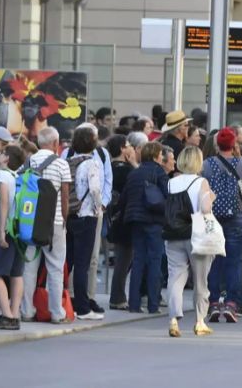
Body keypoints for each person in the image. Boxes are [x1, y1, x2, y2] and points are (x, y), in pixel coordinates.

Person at [20, 127, 72, 324]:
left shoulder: (28, 162)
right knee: (55, 267)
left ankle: (26, 310)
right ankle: (56, 312)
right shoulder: (61, 164)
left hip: (29, 222)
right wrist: (64, 219)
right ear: (56, 143)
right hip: (55, 223)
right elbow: (65, 196)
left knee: (29, 267)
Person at [164, 145, 217, 334]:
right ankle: (200, 320)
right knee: (200, 280)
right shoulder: (201, 182)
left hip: (173, 234)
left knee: (175, 276)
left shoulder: (172, 182)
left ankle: (173, 319)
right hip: (197, 233)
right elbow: (205, 208)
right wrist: (211, 196)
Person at [203, 127, 242, 322]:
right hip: (237, 216)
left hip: (213, 217)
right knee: (234, 261)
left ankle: (214, 302)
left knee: (214, 261)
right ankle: (233, 303)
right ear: (233, 145)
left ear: (217, 144)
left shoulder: (207, 165)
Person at [121, 142, 168, 314]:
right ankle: (153, 304)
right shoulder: (159, 172)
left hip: (135, 220)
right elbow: (167, 194)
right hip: (154, 220)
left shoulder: (135, 173)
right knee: (154, 261)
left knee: (138, 260)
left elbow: (125, 198)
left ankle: (134, 304)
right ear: (157, 156)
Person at [65, 126, 105, 320]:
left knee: (68, 262)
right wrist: (100, 207)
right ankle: (82, 307)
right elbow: (96, 189)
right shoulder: (93, 164)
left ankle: (61, 300)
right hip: (87, 214)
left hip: (69, 214)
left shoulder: (68, 161)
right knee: (83, 264)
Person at [0, 145, 26, 330]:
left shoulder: (2, 175)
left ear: (7, 159)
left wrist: (1, 232)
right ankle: (15, 314)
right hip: (20, 230)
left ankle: (7, 315)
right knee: (16, 273)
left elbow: (3, 204)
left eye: (1, 153)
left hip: (8, 230)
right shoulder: (17, 177)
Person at [107, 135, 136, 310]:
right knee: (124, 259)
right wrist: (133, 164)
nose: (132, 148)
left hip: (114, 217)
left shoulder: (109, 168)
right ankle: (117, 297)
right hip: (125, 219)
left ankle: (118, 294)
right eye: (128, 145)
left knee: (124, 258)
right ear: (122, 149)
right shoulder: (127, 171)